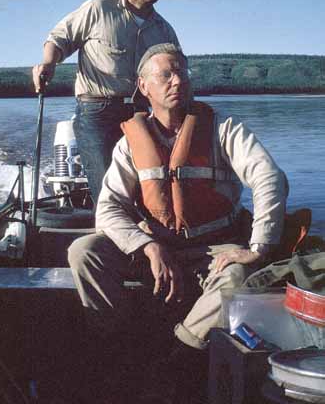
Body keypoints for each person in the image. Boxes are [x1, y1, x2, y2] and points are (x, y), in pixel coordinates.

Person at [68, 43, 289, 404]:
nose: (177, 81)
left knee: (234, 280)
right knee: (84, 251)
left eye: (182, 72)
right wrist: (147, 245)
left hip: (214, 245)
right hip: (155, 246)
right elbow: (108, 211)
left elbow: (269, 177)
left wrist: (258, 247)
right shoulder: (129, 145)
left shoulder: (223, 129)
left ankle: (175, 355)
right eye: (166, 74)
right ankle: (118, 345)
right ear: (144, 87)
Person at [32, 0, 179, 204]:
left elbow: (174, 74)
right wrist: (48, 63)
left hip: (142, 114)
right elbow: (59, 38)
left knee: (150, 185)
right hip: (97, 113)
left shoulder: (163, 30)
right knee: (108, 190)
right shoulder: (99, 9)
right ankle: (113, 235)